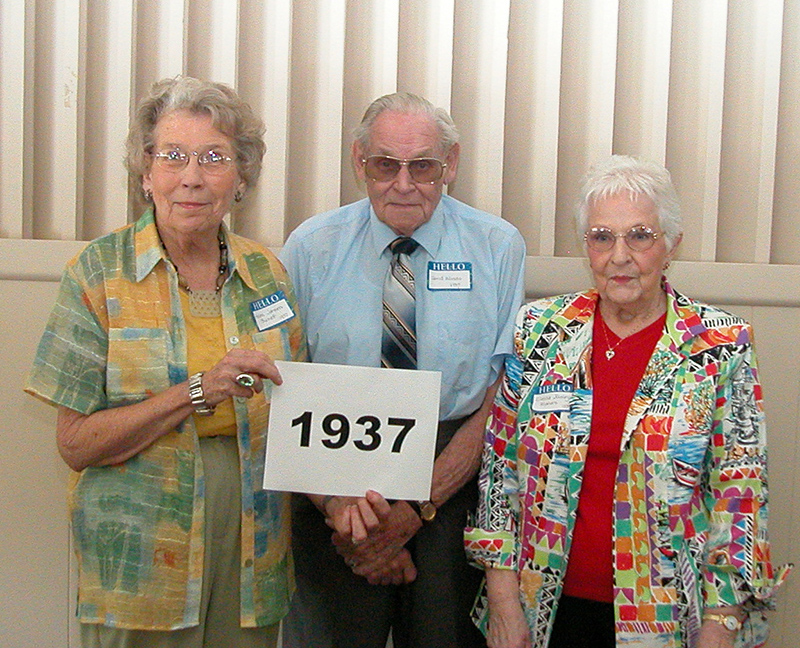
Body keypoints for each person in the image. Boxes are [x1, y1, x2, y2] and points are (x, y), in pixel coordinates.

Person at [464, 155, 790, 648]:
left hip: (670, 618)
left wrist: (721, 623)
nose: (619, 256)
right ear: (586, 246)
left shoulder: (720, 345)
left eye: (639, 235)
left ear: (670, 244)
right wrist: (504, 600)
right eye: (602, 237)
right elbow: (499, 470)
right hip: (543, 605)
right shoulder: (540, 331)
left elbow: (739, 496)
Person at [25, 76, 306, 648]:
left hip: (255, 538)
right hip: (140, 553)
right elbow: (76, 444)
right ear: (146, 171)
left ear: (241, 177)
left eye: (214, 158)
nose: (192, 177)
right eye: (173, 156)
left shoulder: (268, 276)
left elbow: (300, 416)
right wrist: (196, 392)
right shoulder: (99, 274)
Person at [279, 91, 527, 648]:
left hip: (453, 468)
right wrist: (345, 516)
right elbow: (286, 385)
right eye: (386, 165)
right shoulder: (311, 247)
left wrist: (418, 507)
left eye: (424, 167)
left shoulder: (497, 246)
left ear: (452, 165)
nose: (404, 183)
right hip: (333, 470)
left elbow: (502, 395)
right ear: (359, 162)